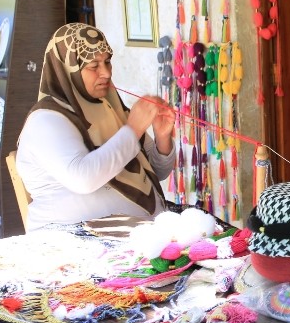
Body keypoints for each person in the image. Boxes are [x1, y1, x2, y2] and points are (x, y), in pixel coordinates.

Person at [16, 23, 176, 230]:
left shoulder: (109, 107)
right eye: (94, 66)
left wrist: (163, 138)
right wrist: (133, 130)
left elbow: (156, 172)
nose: (106, 73)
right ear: (67, 68)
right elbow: (83, 179)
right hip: (70, 240)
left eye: (107, 62)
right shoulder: (46, 120)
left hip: (135, 233)